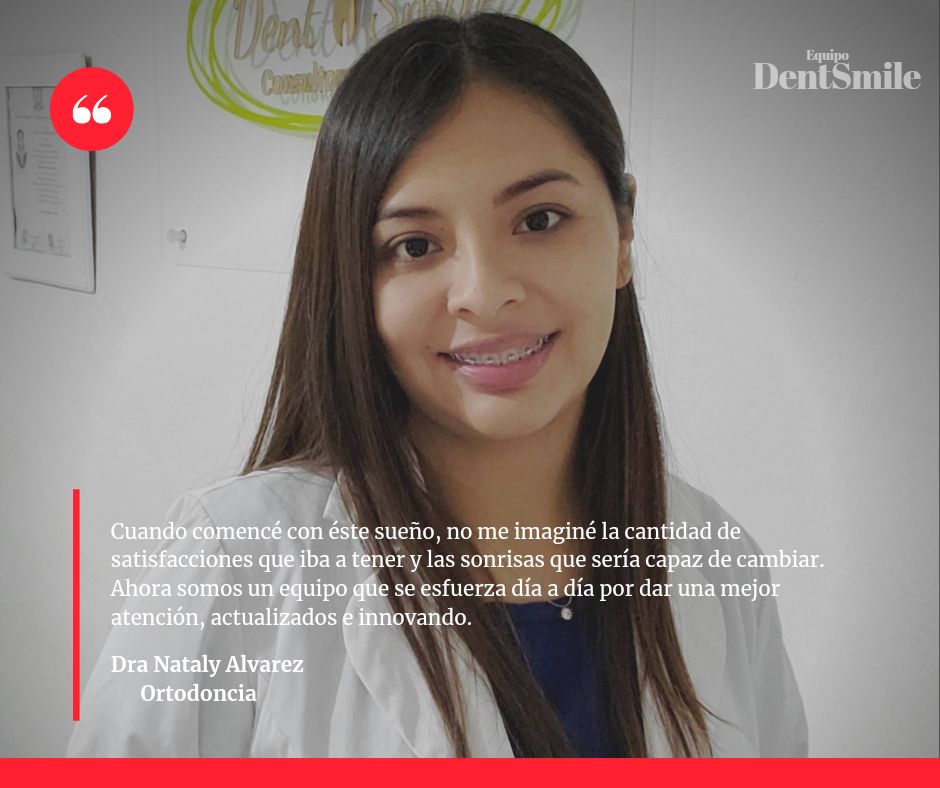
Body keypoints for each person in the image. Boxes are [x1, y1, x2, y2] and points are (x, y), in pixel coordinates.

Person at [68, 12, 808, 758]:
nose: (483, 294)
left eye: (540, 219)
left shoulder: (717, 564)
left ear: (622, 233)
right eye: (415, 245)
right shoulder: (237, 559)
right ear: (353, 277)